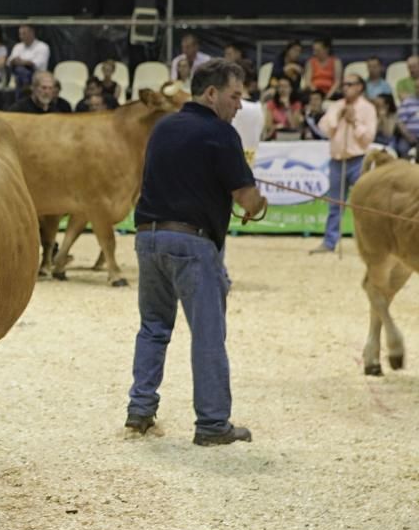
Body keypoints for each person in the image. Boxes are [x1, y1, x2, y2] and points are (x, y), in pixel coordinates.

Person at [125, 59, 267, 446]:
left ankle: (139, 412)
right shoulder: (222, 134)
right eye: (235, 96)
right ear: (211, 94)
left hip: (148, 237)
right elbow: (246, 199)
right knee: (207, 334)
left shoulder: (164, 126)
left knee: (153, 328)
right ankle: (212, 424)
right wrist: (260, 202)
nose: (239, 105)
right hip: (192, 242)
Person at [309, 73, 376, 254]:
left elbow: (368, 138)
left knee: (363, 204)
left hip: (358, 160)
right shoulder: (336, 106)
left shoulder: (368, 109)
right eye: (344, 85)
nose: (345, 88)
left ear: (360, 87)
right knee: (334, 204)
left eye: (349, 84)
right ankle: (329, 242)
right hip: (337, 160)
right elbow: (323, 128)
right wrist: (337, 117)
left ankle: (370, 243)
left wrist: (355, 122)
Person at [232, 60, 266, 163]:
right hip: (252, 160)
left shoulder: (233, 105)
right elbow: (264, 134)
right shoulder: (261, 107)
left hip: (235, 158)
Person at [7, 24, 50, 93]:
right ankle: (26, 88)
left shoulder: (42, 46)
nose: (21, 36)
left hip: (36, 74)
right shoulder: (18, 46)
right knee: (20, 71)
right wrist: (15, 61)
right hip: (19, 74)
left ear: (32, 33)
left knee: (21, 73)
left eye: (24, 34)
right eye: (20, 34)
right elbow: (9, 62)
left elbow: (37, 64)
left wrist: (22, 62)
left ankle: (23, 93)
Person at [264, 75, 303, 140]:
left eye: (285, 86)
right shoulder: (271, 104)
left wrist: (287, 107)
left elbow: (294, 126)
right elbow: (268, 126)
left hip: (292, 137)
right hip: (275, 137)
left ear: (291, 89)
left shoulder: (296, 104)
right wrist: (276, 127)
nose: (282, 89)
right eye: (280, 86)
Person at [373, 93, 410, 157]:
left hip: (391, 139)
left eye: (378, 104)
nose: (376, 106)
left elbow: (388, 134)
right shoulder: (372, 113)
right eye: (375, 104)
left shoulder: (394, 115)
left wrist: (384, 118)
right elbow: (373, 133)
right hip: (375, 139)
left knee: (394, 147)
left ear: (387, 105)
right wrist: (379, 120)